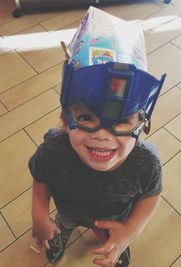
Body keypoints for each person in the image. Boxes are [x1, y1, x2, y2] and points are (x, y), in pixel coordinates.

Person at [29, 7, 166, 267]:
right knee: (63, 224)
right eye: (86, 118)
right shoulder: (54, 150)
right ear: (65, 119)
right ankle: (61, 235)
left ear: (143, 125)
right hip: (68, 210)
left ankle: (116, 241)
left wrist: (131, 231)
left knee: (110, 232)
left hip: (115, 217)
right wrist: (39, 215)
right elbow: (41, 176)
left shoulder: (146, 164)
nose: (102, 134)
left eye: (122, 120)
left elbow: (151, 194)